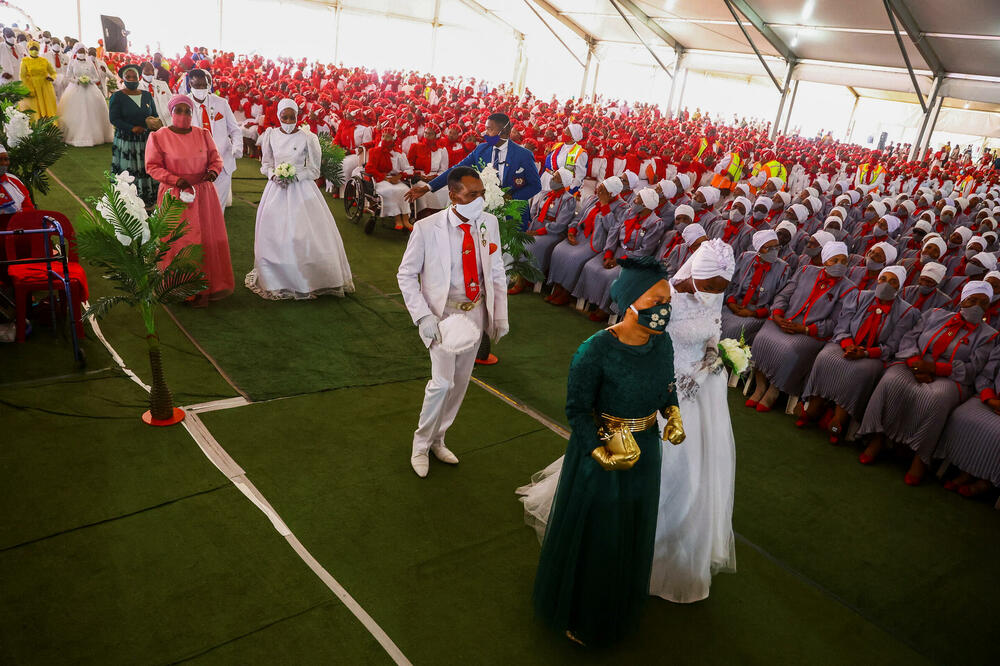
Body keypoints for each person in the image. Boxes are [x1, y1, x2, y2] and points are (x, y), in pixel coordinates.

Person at [519, 256, 683, 646]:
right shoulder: (594, 350)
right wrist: (601, 452)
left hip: (645, 449)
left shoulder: (663, 343)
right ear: (629, 300)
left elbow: (666, 386)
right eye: (655, 299)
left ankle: (618, 602)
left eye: (667, 299)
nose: (664, 308)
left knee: (634, 525)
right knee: (601, 535)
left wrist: (672, 414)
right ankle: (583, 612)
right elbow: (577, 410)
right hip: (601, 454)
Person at [396, 166, 509, 478]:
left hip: (474, 313)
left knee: (459, 383)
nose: (479, 200)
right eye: (472, 195)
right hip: (442, 315)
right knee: (441, 383)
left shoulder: (488, 223)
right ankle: (420, 445)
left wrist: (499, 314)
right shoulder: (427, 227)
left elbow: (496, 270)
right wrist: (423, 316)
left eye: (481, 194)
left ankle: (438, 438)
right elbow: (406, 275)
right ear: (453, 195)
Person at [649, 239, 737, 603]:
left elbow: (712, 331)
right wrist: (673, 381)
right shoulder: (664, 297)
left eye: (722, 289)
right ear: (696, 275)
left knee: (695, 472)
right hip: (664, 390)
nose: (715, 294)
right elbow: (648, 344)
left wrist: (715, 355)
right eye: (712, 286)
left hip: (701, 393)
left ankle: (681, 546)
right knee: (662, 467)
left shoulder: (712, 294)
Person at [857, 282, 997, 485]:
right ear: (962, 300)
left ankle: (920, 457)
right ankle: (878, 437)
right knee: (892, 381)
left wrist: (934, 369)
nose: (977, 307)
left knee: (937, 399)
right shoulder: (935, 315)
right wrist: (916, 365)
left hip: (951, 376)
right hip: (915, 362)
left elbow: (973, 368)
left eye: (983, 304)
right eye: (973, 300)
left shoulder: (988, 335)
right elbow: (909, 339)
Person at [246, 98, 354, 300]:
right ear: (278, 116)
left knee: (303, 231)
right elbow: (266, 164)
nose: (288, 121)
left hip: (301, 188)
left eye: (292, 117)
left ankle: (310, 279)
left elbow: (314, 169)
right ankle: (277, 277)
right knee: (275, 231)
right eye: (284, 117)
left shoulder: (307, 137)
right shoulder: (270, 135)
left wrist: (295, 176)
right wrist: (274, 175)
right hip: (276, 189)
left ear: (298, 117)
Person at [798, 266, 919, 443]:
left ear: (900, 286)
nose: (886, 284)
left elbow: (893, 345)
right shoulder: (859, 296)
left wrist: (865, 352)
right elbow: (842, 326)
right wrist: (848, 345)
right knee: (826, 358)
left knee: (860, 371)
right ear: (877, 280)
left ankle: (840, 418)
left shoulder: (907, 312)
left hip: (874, 355)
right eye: (883, 279)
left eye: (893, 282)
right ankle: (815, 404)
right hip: (846, 343)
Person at [145, 94, 233, 306]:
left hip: (203, 194)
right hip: (176, 195)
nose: (183, 115)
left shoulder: (203, 134)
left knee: (204, 239)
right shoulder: (159, 136)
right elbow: (152, 166)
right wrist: (175, 180)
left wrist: (213, 171)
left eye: (187, 111)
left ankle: (203, 286)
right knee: (179, 240)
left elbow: (216, 159)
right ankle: (178, 287)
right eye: (179, 111)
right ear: (171, 112)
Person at [748, 242, 857, 411]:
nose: (840, 265)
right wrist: (777, 315)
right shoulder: (806, 271)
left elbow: (836, 322)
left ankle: (774, 390)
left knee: (792, 349)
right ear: (825, 260)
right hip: (784, 320)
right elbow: (784, 295)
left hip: (811, 333)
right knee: (762, 338)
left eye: (844, 261)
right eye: (835, 260)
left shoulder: (849, 289)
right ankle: (760, 385)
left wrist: (805, 329)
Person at [406, 112, 541, 231]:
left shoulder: (523, 155)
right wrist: (427, 188)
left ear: (505, 132)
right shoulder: (482, 149)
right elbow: (456, 169)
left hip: (512, 214)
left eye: (490, 129)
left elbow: (535, 185)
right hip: (482, 210)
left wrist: (510, 198)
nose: (485, 133)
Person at [936, 343, 1000, 498]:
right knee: (961, 416)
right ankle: (968, 471)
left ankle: (987, 482)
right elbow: (986, 375)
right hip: (993, 398)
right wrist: (990, 399)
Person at [185, 69, 242, 210]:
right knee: (199, 206)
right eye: (197, 86)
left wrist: (237, 147)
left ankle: (217, 231)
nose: (201, 89)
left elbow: (235, 129)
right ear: (190, 85)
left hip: (223, 161)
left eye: (204, 86)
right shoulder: (184, 105)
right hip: (196, 165)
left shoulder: (221, 103)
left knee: (218, 206)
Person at [721, 229, 791, 343]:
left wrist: (753, 313)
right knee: (715, 322)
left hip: (757, 312)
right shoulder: (745, 257)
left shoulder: (783, 269)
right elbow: (732, 283)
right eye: (768, 248)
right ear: (758, 248)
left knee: (731, 331)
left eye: (776, 247)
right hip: (735, 304)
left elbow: (778, 300)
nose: (774, 251)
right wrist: (731, 303)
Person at [108, 64, 161, 208]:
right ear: (123, 79)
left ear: (139, 78)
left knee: (145, 168)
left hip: (145, 139)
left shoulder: (146, 95)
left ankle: (146, 199)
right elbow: (114, 119)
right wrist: (132, 128)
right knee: (129, 169)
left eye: (134, 77)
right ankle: (128, 200)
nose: (132, 79)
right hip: (127, 140)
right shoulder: (117, 97)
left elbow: (154, 114)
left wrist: (153, 123)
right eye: (128, 77)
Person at [56, 44, 113, 147]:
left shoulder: (90, 63)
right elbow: (68, 77)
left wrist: (89, 81)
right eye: (80, 51)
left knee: (93, 111)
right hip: (76, 88)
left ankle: (96, 135)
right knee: (77, 112)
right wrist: (77, 80)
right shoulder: (72, 63)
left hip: (90, 88)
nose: (82, 54)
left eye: (83, 52)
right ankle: (77, 135)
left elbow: (96, 77)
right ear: (76, 52)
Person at [19, 41, 57, 118]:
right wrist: (28, 87)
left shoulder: (44, 60)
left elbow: (53, 72)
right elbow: (22, 76)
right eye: (32, 49)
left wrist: (52, 78)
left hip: (45, 86)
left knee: (47, 104)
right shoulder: (25, 61)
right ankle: (37, 123)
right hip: (32, 86)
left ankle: (48, 123)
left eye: (36, 49)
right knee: (35, 106)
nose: (34, 51)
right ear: (28, 49)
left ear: (38, 49)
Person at [0, 143, 35, 214]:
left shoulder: (14, 181)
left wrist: (18, 214)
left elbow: (29, 208)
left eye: (6, 159)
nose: (4, 163)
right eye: (0, 160)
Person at [138, 61, 172, 128]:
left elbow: (171, 102)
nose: (151, 73)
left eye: (153, 70)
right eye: (147, 70)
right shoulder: (137, 88)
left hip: (167, 122)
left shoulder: (163, 84)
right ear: (141, 71)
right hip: (150, 125)